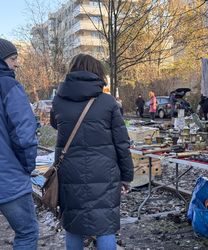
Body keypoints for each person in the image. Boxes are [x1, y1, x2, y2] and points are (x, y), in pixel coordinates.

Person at [50, 53, 134, 250]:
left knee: (73, 225)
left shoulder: (58, 101)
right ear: (97, 73)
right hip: (104, 172)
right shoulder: (108, 102)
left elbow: (57, 125)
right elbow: (122, 143)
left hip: (69, 172)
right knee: (105, 226)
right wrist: (127, 176)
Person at [0, 38, 39, 249]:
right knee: (27, 233)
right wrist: (28, 166)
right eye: (13, 59)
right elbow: (24, 134)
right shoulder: (8, 85)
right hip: (8, 176)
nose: (17, 64)